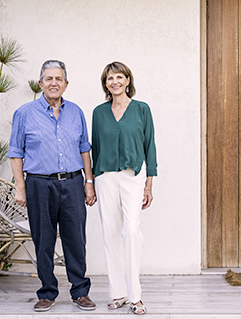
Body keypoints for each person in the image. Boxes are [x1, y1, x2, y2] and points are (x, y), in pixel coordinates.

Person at [8, 60, 97, 312]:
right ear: (40, 84)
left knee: (76, 239)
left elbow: (84, 149)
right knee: (43, 240)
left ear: (66, 84)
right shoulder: (24, 113)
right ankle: (47, 292)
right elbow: (16, 153)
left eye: (58, 79)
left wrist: (88, 183)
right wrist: (20, 187)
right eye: (48, 79)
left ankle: (80, 291)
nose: (54, 83)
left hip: (73, 182)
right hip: (38, 184)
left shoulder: (76, 112)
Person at [91, 61, 157, 315]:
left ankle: (135, 296)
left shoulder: (142, 109)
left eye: (120, 77)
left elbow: (150, 145)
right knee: (110, 233)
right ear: (105, 83)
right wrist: (91, 181)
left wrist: (149, 182)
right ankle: (117, 293)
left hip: (133, 177)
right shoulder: (99, 112)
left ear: (128, 81)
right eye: (110, 78)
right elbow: (94, 147)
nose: (115, 82)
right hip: (105, 177)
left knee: (131, 232)